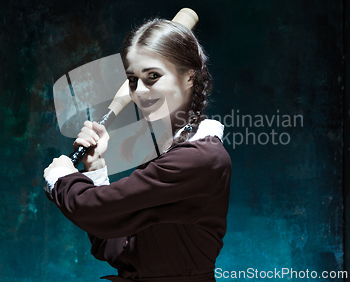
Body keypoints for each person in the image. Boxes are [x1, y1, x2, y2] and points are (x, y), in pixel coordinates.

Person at [43, 18, 232, 282]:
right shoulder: (168, 152)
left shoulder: (198, 159)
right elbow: (112, 241)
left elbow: (93, 209)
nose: (140, 92)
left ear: (190, 76)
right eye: (133, 79)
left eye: (153, 76)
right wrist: (95, 168)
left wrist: (61, 179)